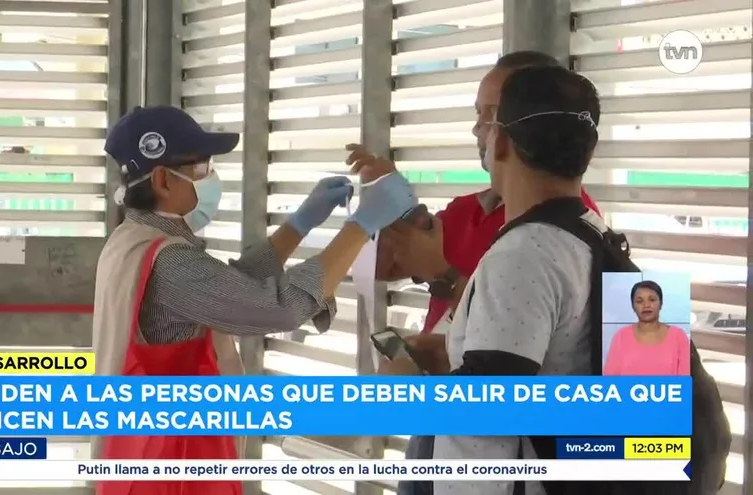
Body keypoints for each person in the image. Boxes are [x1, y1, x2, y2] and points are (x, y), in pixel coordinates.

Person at [91, 105, 418, 495]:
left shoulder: (133, 240)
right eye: (201, 168)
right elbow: (277, 306)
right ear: (162, 179)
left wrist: (299, 226)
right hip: (171, 470)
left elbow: (225, 287)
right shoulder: (169, 260)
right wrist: (362, 223)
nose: (211, 178)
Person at [348, 51, 602, 495]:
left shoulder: (524, 250)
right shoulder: (592, 234)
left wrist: (412, 392)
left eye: (489, 119)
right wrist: (455, 357)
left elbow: (487, 416)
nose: (478, 131)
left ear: (501, 140)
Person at [604, 280, 691, 375]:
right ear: (633, 306)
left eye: (652, 300)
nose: (646, 305)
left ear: (661, 304)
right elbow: (609, 380)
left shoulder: (678, 336)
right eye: (639, 301)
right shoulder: (621, 336)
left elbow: (684, 381)